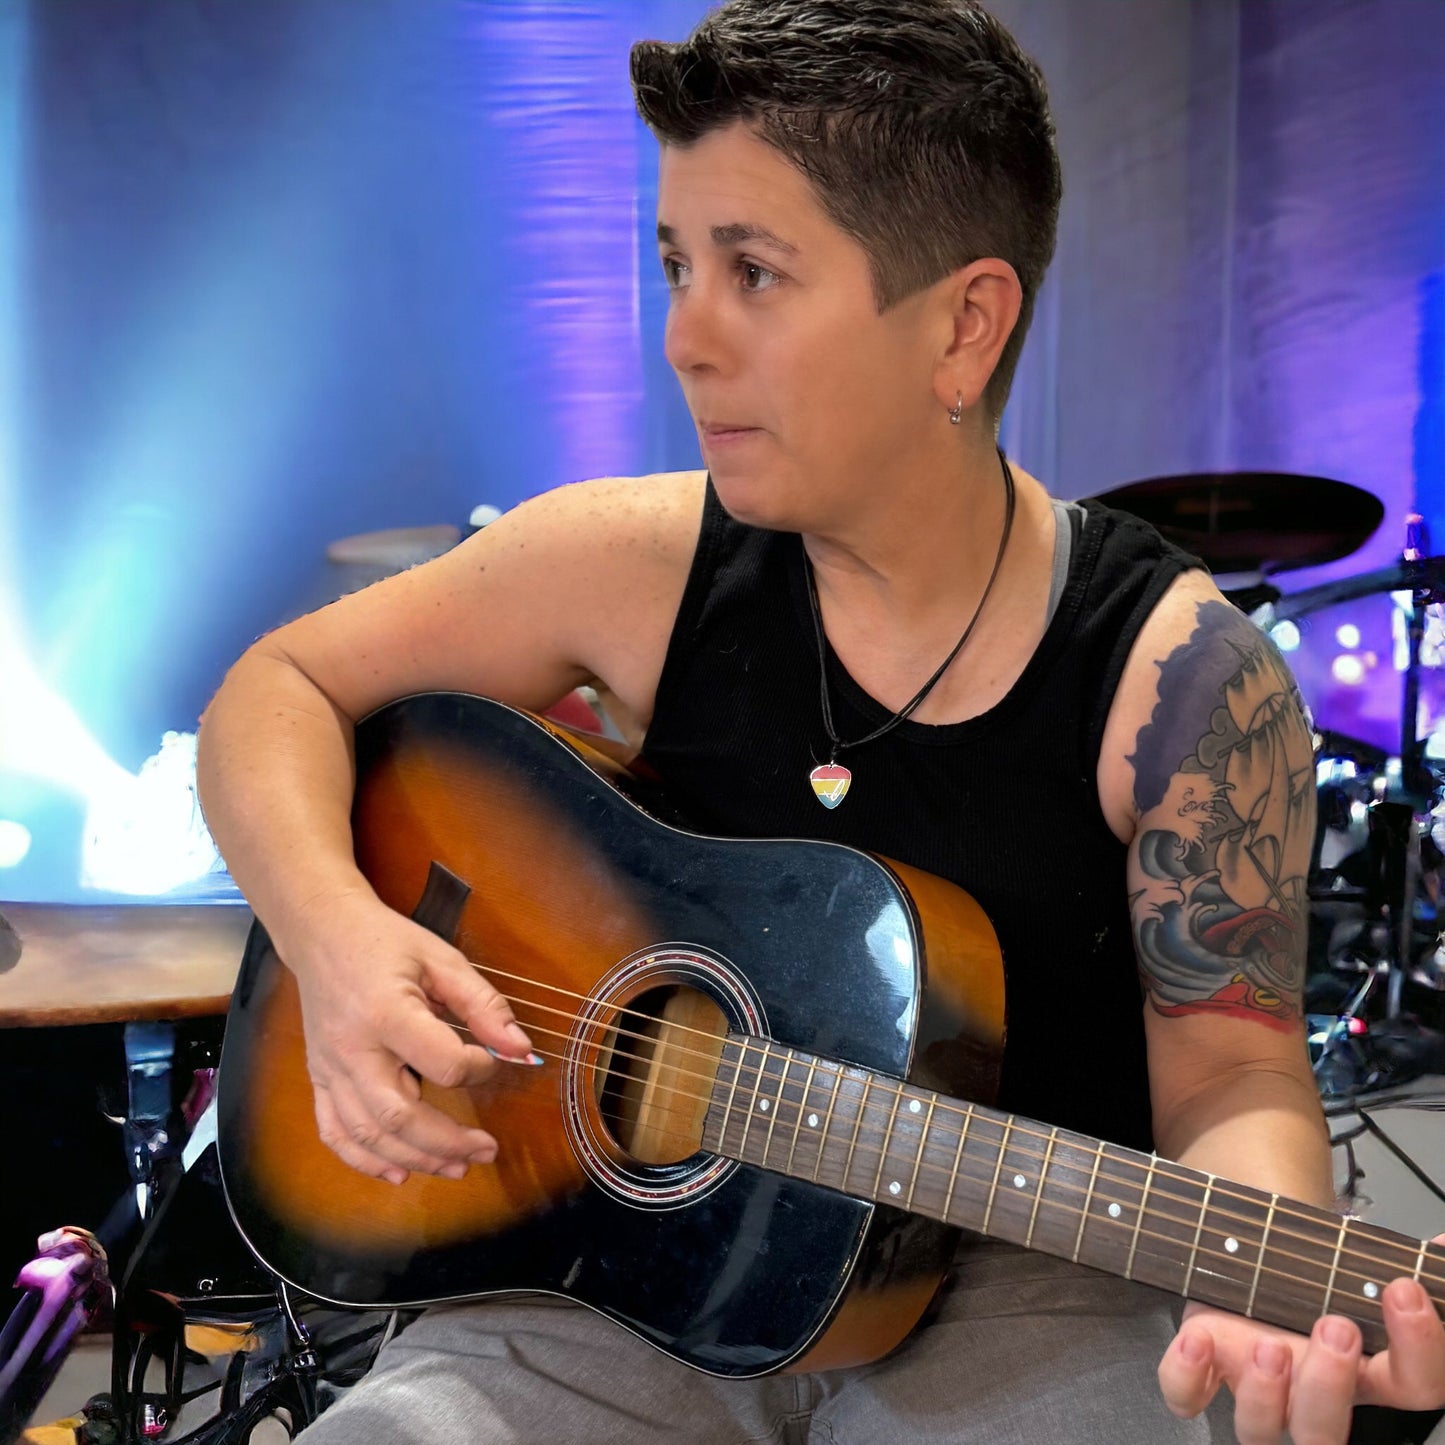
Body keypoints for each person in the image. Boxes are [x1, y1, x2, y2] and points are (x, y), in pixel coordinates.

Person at [195, 2, 1445, 1440]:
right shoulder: (631, 559)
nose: (682, 338)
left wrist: (1265, 1267)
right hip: (617, 1283)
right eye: (675, 264)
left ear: (962, 325)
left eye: (754, 273)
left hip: (1014, 1287)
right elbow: (272, 690)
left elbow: (1232, 1069)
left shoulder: (1182, 682)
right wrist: (337, 942)